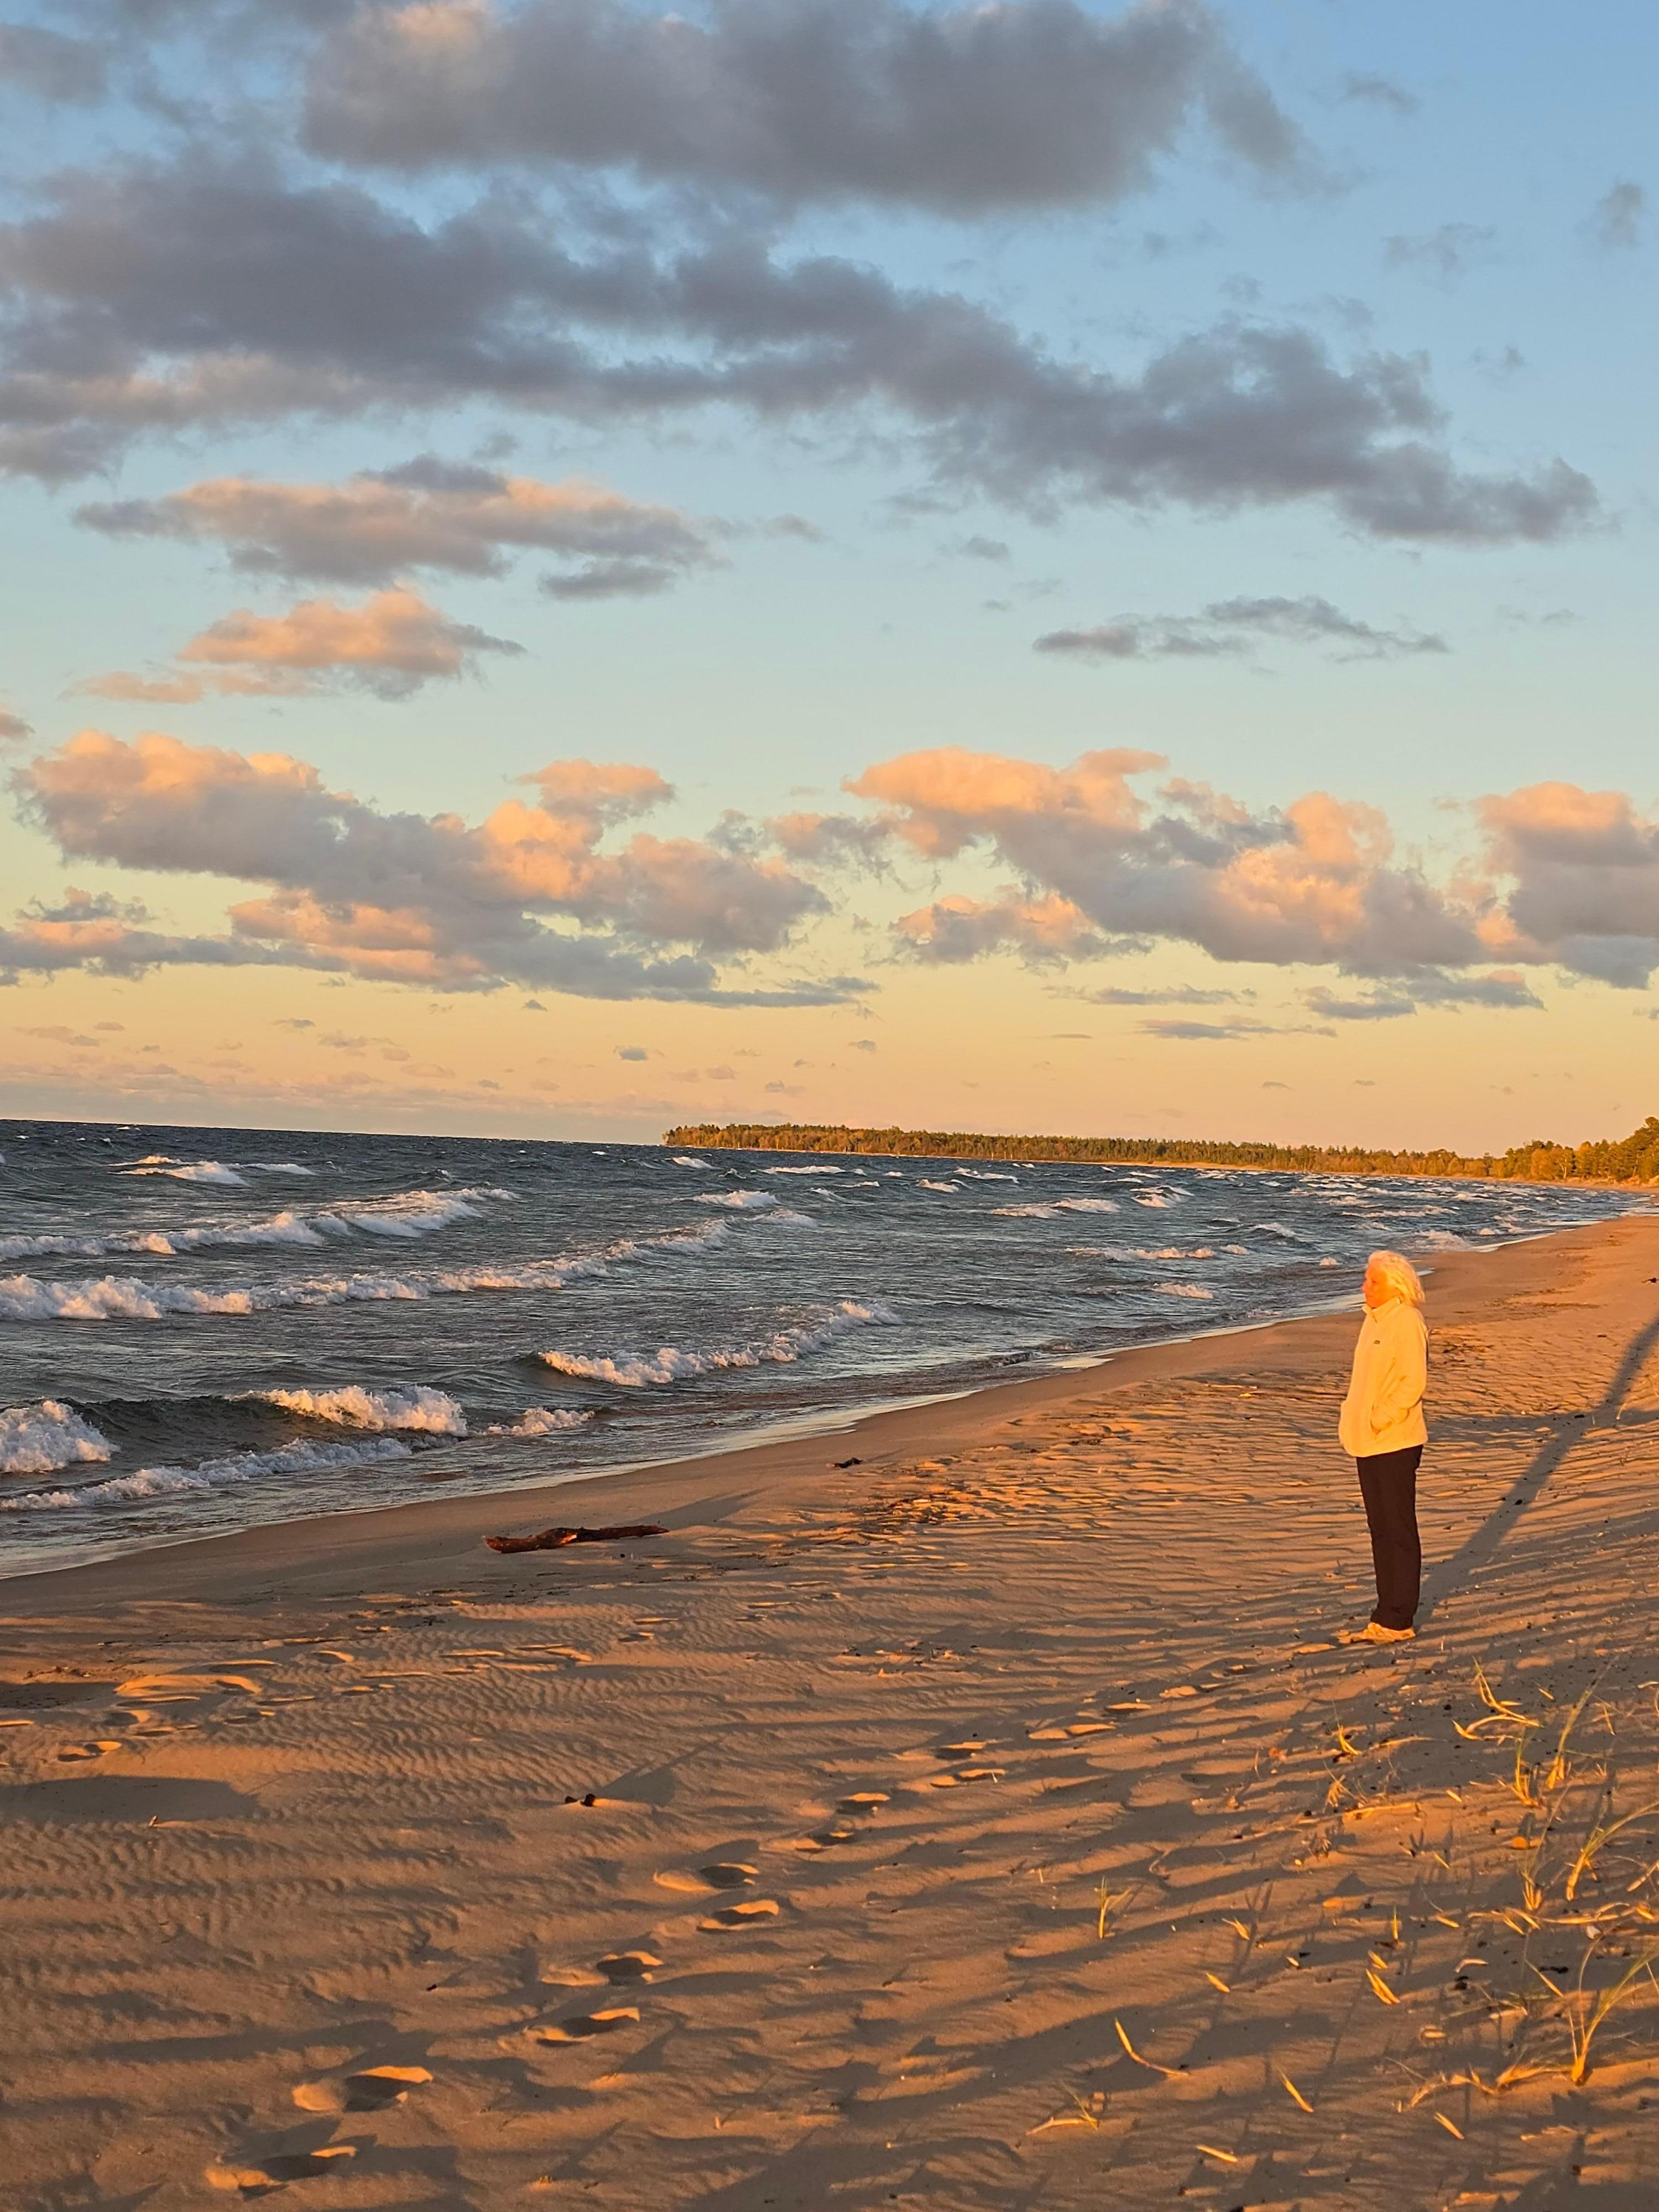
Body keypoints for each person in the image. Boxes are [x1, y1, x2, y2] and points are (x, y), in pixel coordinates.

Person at [1338, 1248, 1428, 1645]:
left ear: (1395, 1286)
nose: (1365, 1286)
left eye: (1372, 1281)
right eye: (1366, 1279)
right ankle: (1384, 1614)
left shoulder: (1406, 1320)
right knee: (1380, 1530)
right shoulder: (1374, 1320)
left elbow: (1413, 1382)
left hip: (1395, 1439)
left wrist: (1380, 1417)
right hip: (1367, 1441)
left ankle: (1398, 1617)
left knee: (1398, 1529)